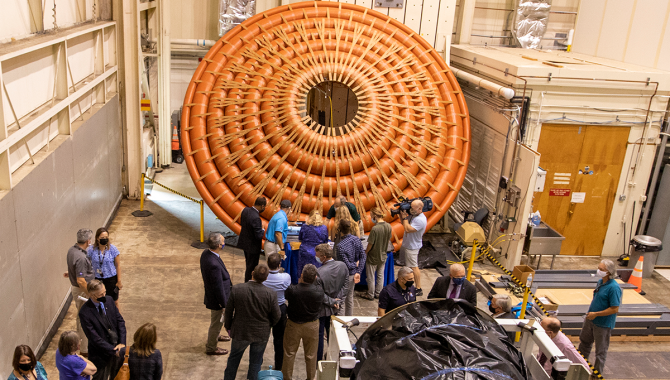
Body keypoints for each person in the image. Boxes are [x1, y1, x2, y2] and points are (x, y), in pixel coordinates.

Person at [223, 264, 281, 380]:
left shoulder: (237, 289)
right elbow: (277, 315)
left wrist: (228, 327)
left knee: (233, 360)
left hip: (240, 332)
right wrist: (268, 325)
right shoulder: (270, 294)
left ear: (252, 273)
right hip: (261, 333)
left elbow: (228, 312)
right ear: (266, 278)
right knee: (256, 363)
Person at [578, 259, 621, 377]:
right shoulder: (600, 282)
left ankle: (596, 375)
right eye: (599, 268)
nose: (598, 271)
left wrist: (596, 314)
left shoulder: (614, 288)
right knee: (584, 343)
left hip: (603, 324)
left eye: (601, 269)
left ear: (609, 272)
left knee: (600, 351)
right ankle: (580, 366)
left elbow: (614, 308)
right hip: (590, 319)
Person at [282, 264, 325, 380]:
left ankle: (287, 377)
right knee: (311, 355)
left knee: (289, 353)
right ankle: (311, 377)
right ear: (315, 278)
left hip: (294, 324)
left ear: (301, 275)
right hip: (312, 325)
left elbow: (286, 296)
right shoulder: (319, 292)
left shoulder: (292, 290)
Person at [79, 279, 127, 380]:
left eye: (105, 292)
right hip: (100, 355)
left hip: (117, 348)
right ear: (92, 295)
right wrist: (113, 350)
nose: (104, 296)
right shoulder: (85, 313)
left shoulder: (109, 300)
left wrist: (122, 344)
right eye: (101, 294)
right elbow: (94, 338)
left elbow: (120, 322)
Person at [314, 244, 348, 361]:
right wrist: (338, 300)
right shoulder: (343, 266)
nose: (316, 257)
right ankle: (333, 357)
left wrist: (331, 301)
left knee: (319, 334)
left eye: (317, 255)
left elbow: (319, 293)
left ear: (323, 256)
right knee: (333, 333)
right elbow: (346, 285)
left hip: (323, 308)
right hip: (335, 306)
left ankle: (318, 360)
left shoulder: (319, 272)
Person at [199, 232, 232, 356]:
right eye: (223, 242)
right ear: (219, 245)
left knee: (217, 322)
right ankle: (211, 347)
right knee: (216, 323)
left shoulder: (207, 254)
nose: (224, 244)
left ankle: (217, 336)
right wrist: (223, 305)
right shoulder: (213, 265)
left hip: (215, 296)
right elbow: (217, 287)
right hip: (217, 300)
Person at [66, 228, 95, 356]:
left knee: (81, 317)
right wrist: (90, 295)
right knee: (84, 318)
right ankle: (85, 349)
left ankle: (83, 344)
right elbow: (81, 281)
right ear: (88, 241)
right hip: (82, 291)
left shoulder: (71, 250)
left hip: (76, 289)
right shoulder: (82, 257)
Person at [263, 253, 291, 371]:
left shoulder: (263, 277)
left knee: (261, 339)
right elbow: (288, 291)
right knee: (279, 339)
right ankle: (279, 366)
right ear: (279, 265)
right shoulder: (285, 277)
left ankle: (257, 362)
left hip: (264, 309)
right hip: (280, 308)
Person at [360, 207, 391, 300]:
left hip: (373, 256)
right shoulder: (388, 226)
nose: (371, 217)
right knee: (380, 275)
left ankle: (370, 294)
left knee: (371, 276)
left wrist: (365, 252)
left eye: (371, 215)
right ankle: (378, 293)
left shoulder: (375, 229)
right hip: (383, 255)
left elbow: (370, 244)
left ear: (374, 215)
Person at [336, 219, 366, 316]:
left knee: (341, 299)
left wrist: (355, 265)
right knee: (349, 299)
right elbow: (363, 256)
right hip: (354, 275)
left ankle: (340, 324)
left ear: (339, 229)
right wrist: (359, 271)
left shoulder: (340, 246)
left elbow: (347, 265)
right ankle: (349, 320)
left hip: (345, 276)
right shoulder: (357, 239)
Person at [88, 228, 123, 309]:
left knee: (115, 301)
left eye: (106, 237)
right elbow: (85, 262)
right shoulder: (91, 250)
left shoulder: (113, 249)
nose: (105, 239)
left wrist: (119, 281)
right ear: (97, 238)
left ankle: (117, 320)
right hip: (98, 279)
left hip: (111, 279)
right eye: (102, 238)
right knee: (100, 301)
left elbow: (118, 265)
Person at [398, 199, 427, 296]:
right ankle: (407, 283)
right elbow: (404, 224)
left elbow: (408, 229)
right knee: (408, 266)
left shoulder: (420, 219)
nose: (411, 209)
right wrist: (401, 215)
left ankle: (418, 288)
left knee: (414, 267)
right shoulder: (414, 216)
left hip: (413, 246)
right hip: (408, 244)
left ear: (420, 208)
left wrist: (405, 217)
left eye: (413, 208)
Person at [238, 197, 267, 283]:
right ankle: (248, 282)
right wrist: (262, 230)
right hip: (253, 247)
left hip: (244, 243)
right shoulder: (256, 218)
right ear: (262, 206)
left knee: (248, 264)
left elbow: (242, 223)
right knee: (251, 267)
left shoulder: (245, 210)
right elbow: (258, 236)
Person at [297, 209, 329, 276]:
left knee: (303, 272)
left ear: (310, 217)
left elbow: (300, 238)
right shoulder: (324, 228)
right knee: (317, 273)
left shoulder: (304, 226)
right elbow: (325, 242)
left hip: (305, 253)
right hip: (318, 254)